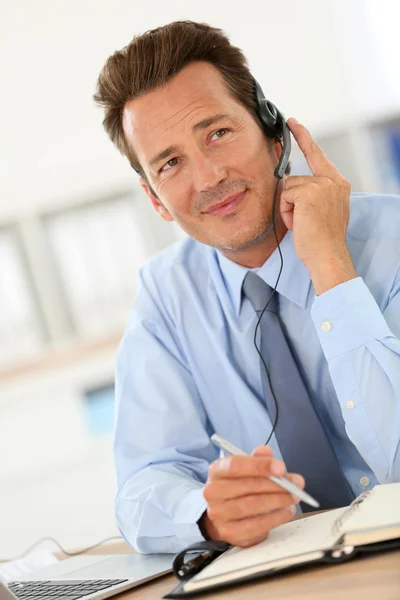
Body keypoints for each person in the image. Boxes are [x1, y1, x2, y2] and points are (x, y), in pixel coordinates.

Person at [93, 20, 400, 554]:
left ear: (273, 131)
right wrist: (207, 516)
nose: (208, 178)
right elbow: (143, 483)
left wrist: (331, 265)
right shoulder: (167, 296)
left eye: (217, 133)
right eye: (171, 163)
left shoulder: (391, 241)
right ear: (156, 199)